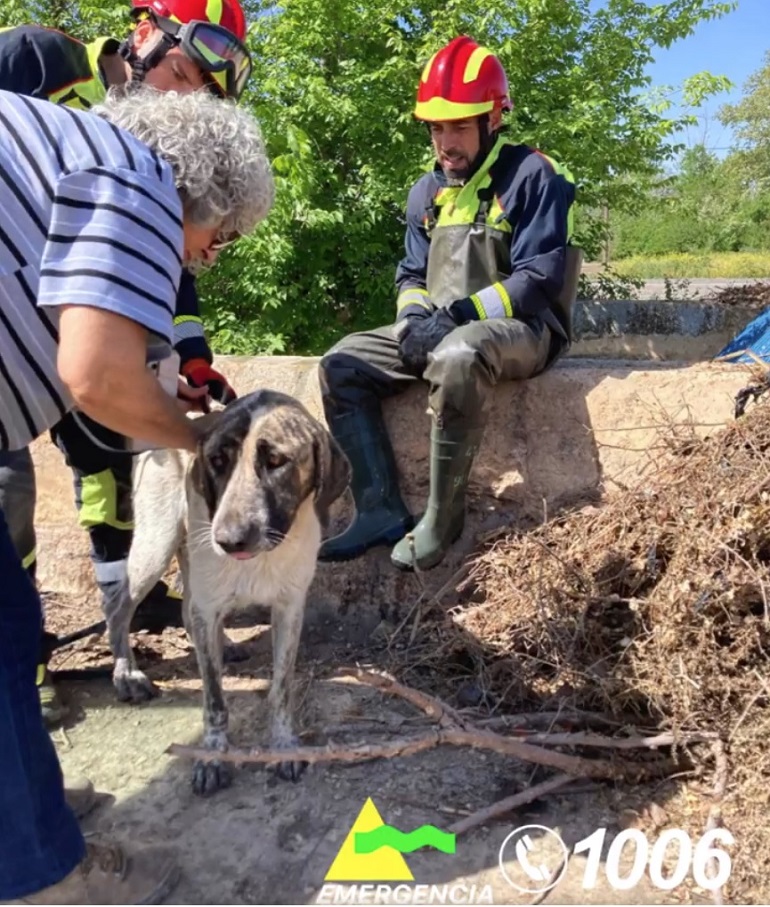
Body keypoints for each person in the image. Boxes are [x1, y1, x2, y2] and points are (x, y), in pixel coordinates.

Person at [0, 84, 274, 904]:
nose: (207, 257)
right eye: (220, 237)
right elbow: (95, 375)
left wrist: (163, 396)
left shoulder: (76, 153)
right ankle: (48, 872)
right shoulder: (143, 177)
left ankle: (23, 810)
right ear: (208, 191)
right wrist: (210, 444)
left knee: (11, 622)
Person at [0, 0, 251, 724]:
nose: (188, 97)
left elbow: (165, 274)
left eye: (206, 91)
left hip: (64, 336)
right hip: (47, 337)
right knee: (12, 486)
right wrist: (200, 439)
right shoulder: (40, 59)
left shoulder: (158, 171)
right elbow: (99, 369)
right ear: (145, 32)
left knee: (109, 471)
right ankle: (30, 664)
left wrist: (187, 358)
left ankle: (113, 619)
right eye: (185, 70)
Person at [318, 35, 579, 572]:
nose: (446, 141)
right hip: (441, 327)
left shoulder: (534, 175)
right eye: (436, 127)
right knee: (341, 362)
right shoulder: (425, 191)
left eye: (459, 125)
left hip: (525, 330)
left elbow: (540, 278)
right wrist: (415, 320)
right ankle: (378, 510)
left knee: (458, 355)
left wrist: (456, 318)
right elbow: (411, 274)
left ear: (493, 119)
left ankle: (442, 517)